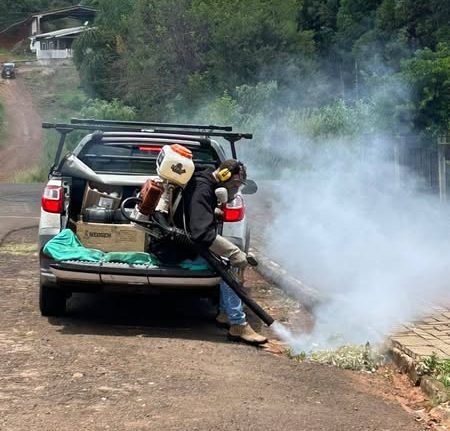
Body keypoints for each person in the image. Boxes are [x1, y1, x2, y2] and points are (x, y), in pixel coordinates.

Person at [177, 159, 267, 345]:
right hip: (179, 251)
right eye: (234, 184)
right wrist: (234, 253)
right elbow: (201, 234)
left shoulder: (206, 183)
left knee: (228, 261)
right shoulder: (202, 189)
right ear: (223, 176)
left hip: (186, 245)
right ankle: (238, 324)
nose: (236, 189)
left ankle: (226, 313)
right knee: (229, 265)